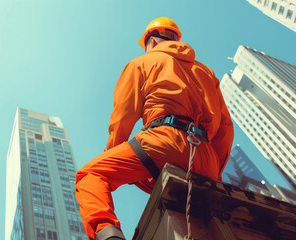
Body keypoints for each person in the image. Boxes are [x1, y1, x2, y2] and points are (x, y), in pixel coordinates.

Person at [75, 17, 234, 240]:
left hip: (162, 141)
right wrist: (213, 175)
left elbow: (123, 116)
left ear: (151, 41)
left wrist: (114, 151)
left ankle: (108, 234)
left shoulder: (141, 63)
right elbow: (226, 131)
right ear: (175, 38)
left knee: (90, 175)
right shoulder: (206, 73)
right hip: (206, 156)